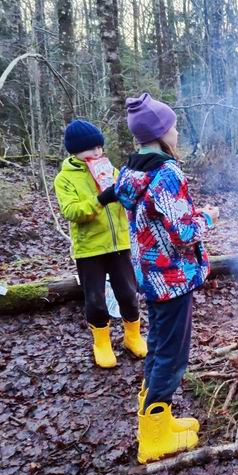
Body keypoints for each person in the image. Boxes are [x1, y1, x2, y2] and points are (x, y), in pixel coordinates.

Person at [111, 93, 220, 464]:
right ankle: (155, 438)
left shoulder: (131, 172)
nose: (176, 132)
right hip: (171, 278)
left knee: (158, 346)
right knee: (172, 354)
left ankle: (156, 419)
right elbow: (184, 232)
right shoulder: (167, 174)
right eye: (173, 127)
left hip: (151, 277)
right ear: (160, 133)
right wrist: (208, 217)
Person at [53, 120, 148, 369]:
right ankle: (102, 344)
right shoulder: (65, 178)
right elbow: (72, 211)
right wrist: (101, 199)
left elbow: (127, 199)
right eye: (91, 148)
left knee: (128, 293)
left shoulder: (110, 169)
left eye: (99, 147)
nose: (97, 152)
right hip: (90, 250)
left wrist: (130, 190)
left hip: (119, 245)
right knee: (95, 298)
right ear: (75, 150)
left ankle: (132, 336)